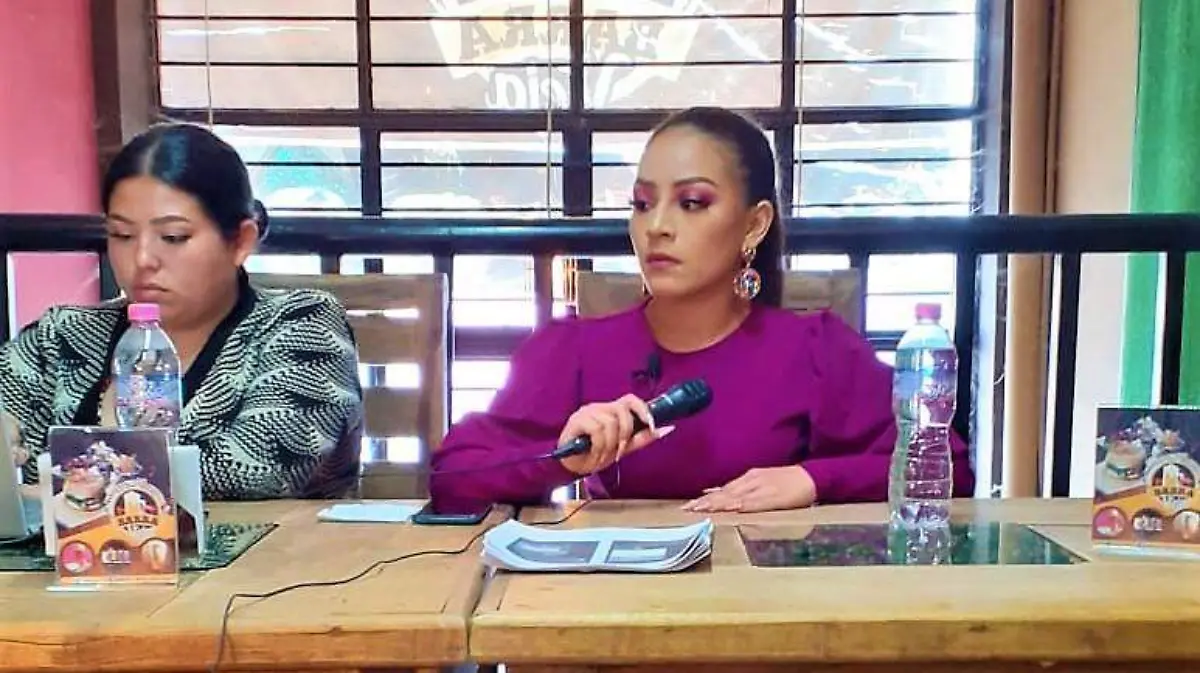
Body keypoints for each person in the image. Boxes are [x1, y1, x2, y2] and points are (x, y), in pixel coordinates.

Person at [430, 106, 975, 514]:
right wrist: (562, 459)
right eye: (642, 203)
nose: (656, 226)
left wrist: (811, 480)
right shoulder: (574, 349)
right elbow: (453, 477)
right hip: (617, 615)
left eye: (692, 203)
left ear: (754, 224)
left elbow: (943, 465)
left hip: (765, 612)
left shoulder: (815, 350)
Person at [1, 123, 364, 500]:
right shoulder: (64, 335)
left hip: (270, 541)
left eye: (173, 237)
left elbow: (254, 471)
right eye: (122, 235)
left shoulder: (304, 325)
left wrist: (73, 486)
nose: (142, 259)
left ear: (241, 241)